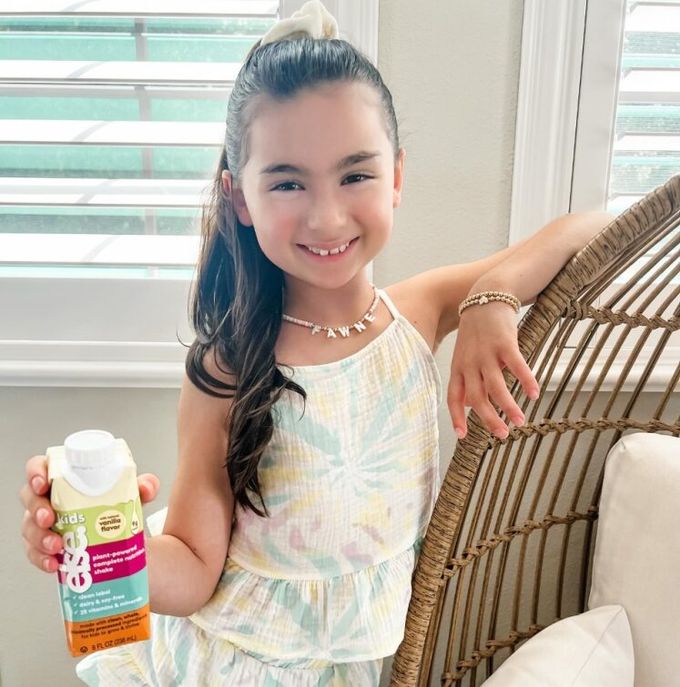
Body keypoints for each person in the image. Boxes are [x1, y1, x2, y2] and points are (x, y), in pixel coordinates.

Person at [18, 2, 615, 685]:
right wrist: (106, 548)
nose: (327, 214)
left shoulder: (418, 314)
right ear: (239, 198)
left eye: (355, 174)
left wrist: (492, 296)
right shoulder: (228, 370)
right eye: (287, 182)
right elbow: (191, 565)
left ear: (396, 176)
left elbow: (590, 228)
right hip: (238, 666)